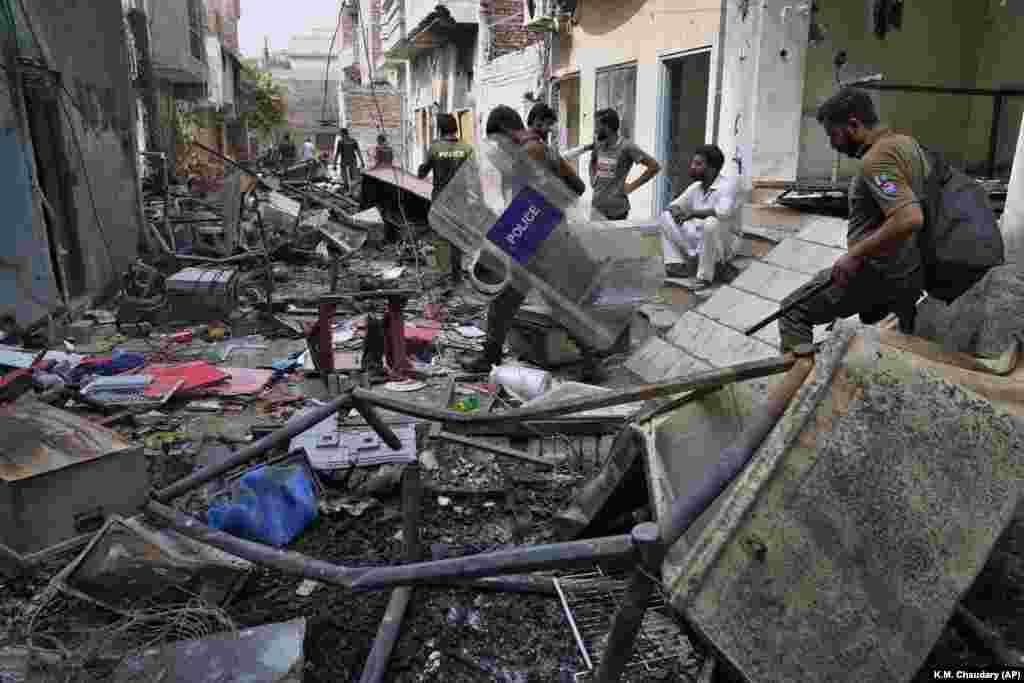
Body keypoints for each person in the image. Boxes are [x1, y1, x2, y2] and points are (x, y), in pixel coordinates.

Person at [777, 88, 927, 352]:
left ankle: (800, 387)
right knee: (867, 340)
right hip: (907, 271)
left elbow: (908, 216)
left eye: (833, 134)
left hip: (876, 273)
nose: (833, 144)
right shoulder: (907, 145)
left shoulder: (876, 159)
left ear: (854, 124)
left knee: (792, 312)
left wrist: (854, 254)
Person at [460, 105, 598, 377]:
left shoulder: (527, 152)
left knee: (517, 298)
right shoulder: (543, 149)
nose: (497, 148)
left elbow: (529, 197)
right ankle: (590, 358)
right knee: (522, 299)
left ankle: (491, 357)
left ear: (505, 130)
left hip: (533, 233)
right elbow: (578, 187)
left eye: (497, 141)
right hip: (546, 229)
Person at [659, 144, 741, 288]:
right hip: (699, 240)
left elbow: (723, 212)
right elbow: (673, 205)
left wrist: (693, 213)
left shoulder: (727, 185)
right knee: (666, 216)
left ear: (712, 168)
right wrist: (677, 211)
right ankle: (678, 264)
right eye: (693, 163)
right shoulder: (696, 187)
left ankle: (705, 277)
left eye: (698, 164)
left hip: (723, 243)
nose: (692, 167)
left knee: (711, 222)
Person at [418, 114, 475, 282]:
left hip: (440, 199)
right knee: (456, 237)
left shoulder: (434, 148)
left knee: (441, 235)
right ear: (455, 128)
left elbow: (422, 174)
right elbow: (475, 177)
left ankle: (443, 274)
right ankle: (456, 277)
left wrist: (424, 165)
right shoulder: (467, 148)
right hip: (460, 200)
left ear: (440, 129)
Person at [587, 108, 660, 220]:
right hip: (596, 209)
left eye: (597, 126)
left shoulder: (627, 147)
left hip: (617, 212)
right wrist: (592, 178)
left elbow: (654, 166)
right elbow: (593, 161)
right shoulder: (599, 145)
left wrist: (632, 186)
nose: (595, 130)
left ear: (607, 127)